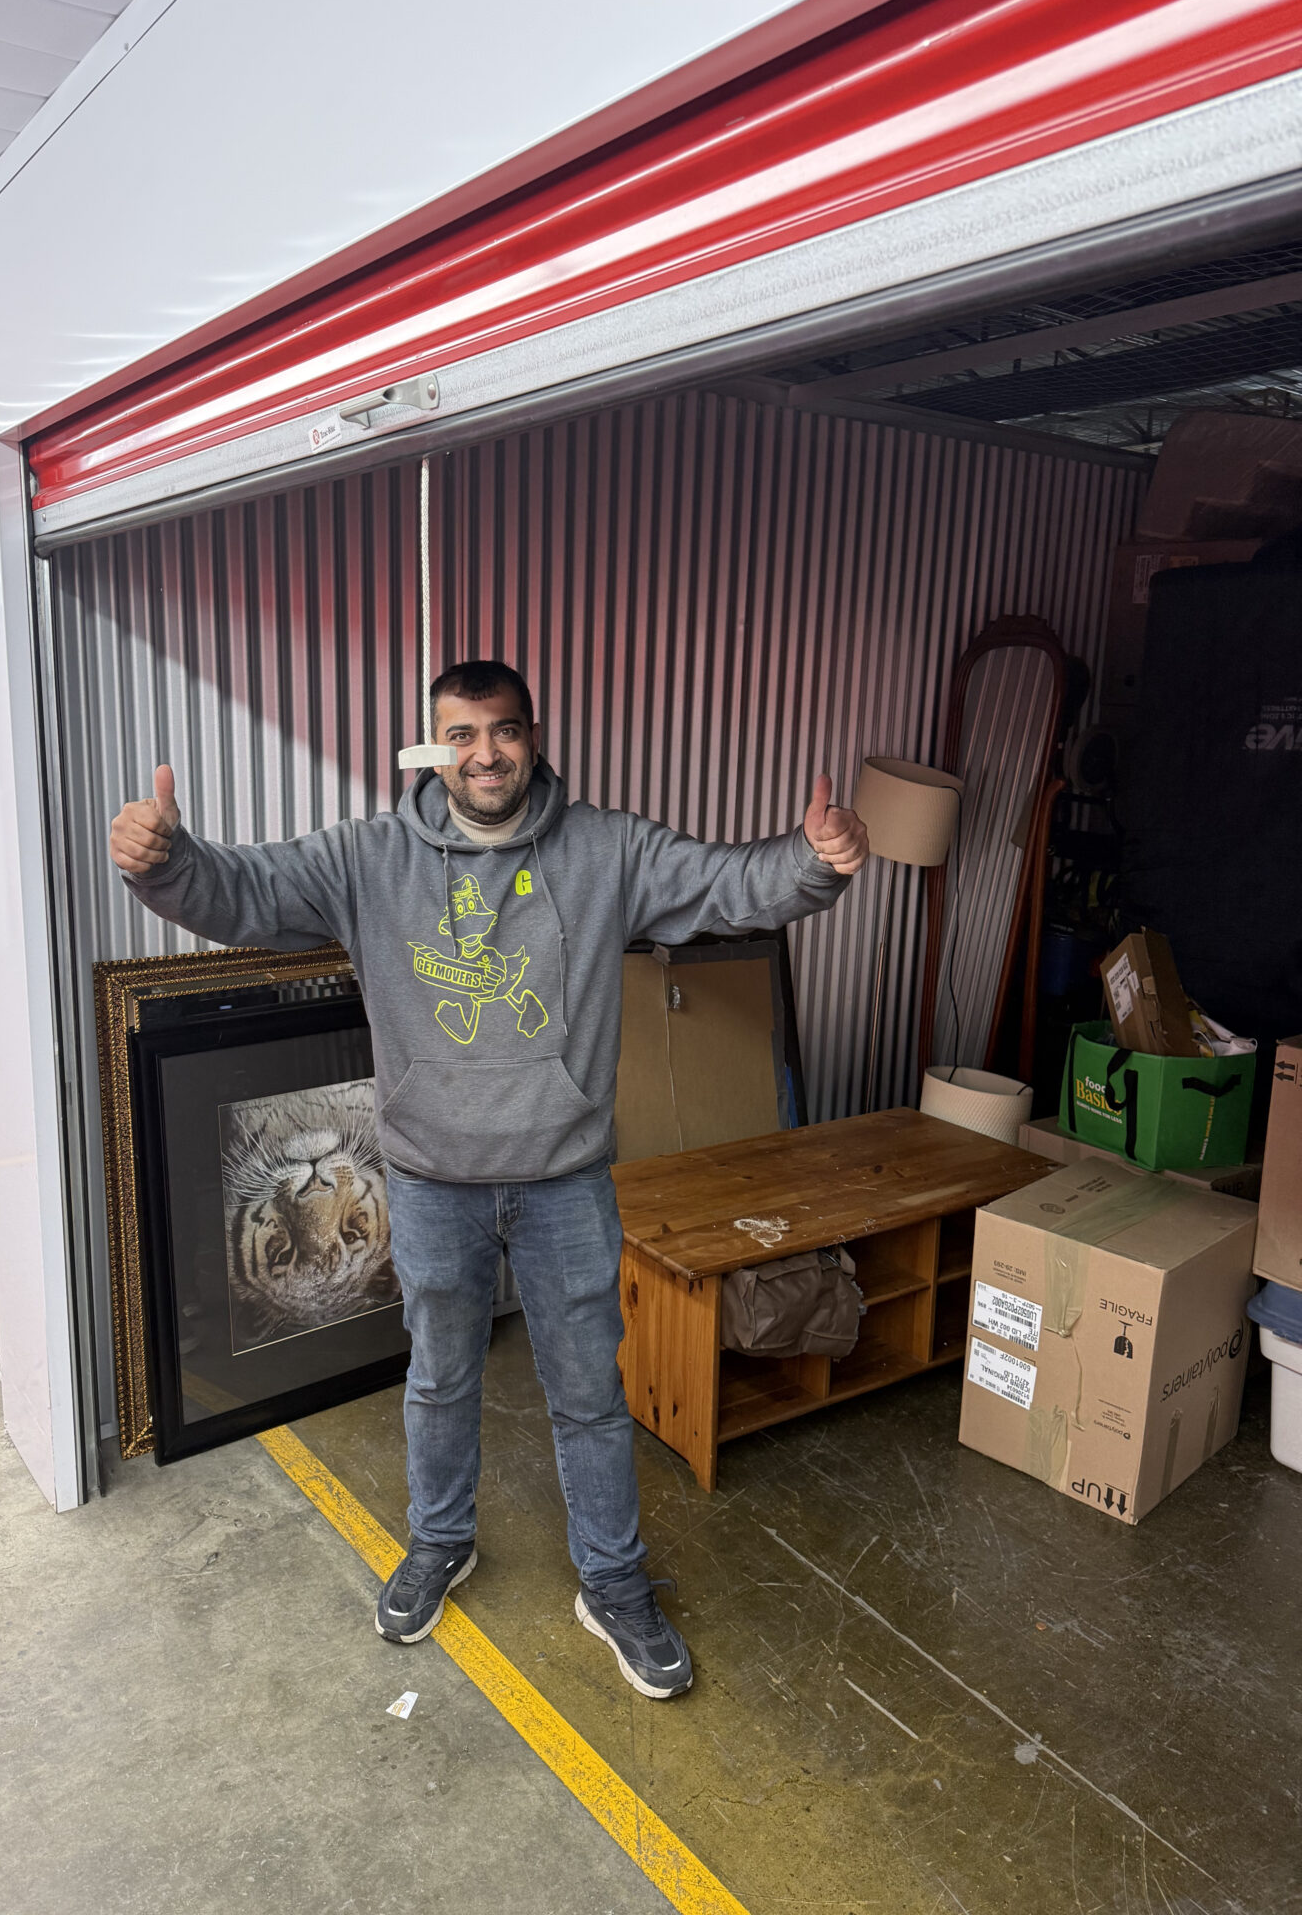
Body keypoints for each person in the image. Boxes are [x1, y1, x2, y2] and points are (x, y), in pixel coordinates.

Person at [109, 659, 868, 1700]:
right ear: (433, 747)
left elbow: (730, 881)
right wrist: (163, 863)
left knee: (589, 1397)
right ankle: (440, 1543)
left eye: (503, 730)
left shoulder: (606, 851)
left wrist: (816, 863)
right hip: (428, 1182)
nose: (485, 753)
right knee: (438, 1380)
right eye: (461, 734)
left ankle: (610, 1584)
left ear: (534, 735)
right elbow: (242, 890)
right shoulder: (369, 858)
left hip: (564, 1182)